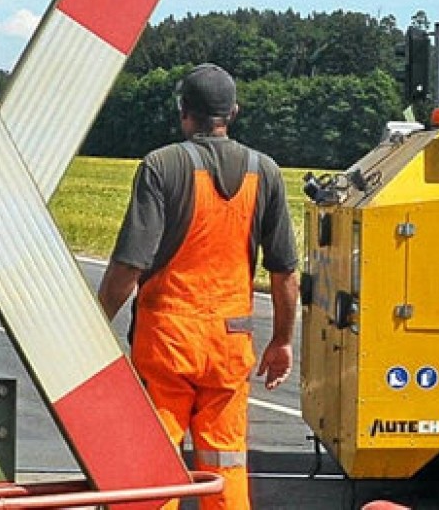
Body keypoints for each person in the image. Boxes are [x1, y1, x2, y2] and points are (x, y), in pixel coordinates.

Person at [98, 63, 298, 510]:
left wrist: (94, 327)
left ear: (184, 111)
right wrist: (282, 341)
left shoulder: (161, 166)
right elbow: (284, 273)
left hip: (167, 344)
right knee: (224, 465)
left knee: (156, 466)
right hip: (229, 348)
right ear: (234, 111)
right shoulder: (265, 172)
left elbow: (129, 266)